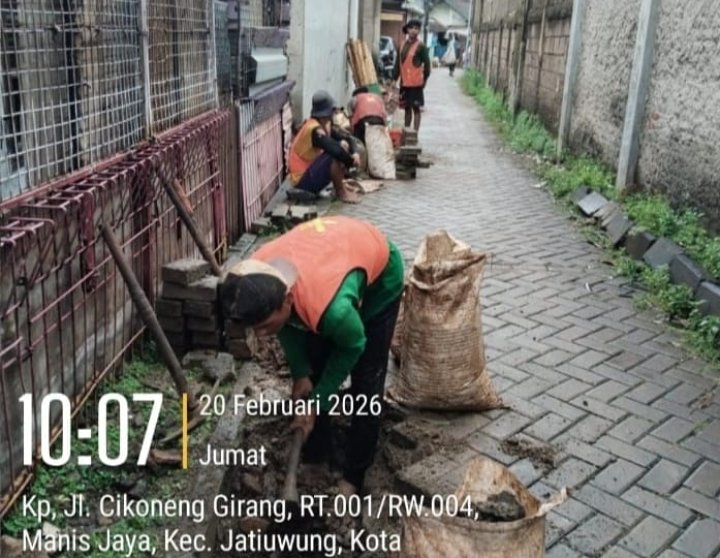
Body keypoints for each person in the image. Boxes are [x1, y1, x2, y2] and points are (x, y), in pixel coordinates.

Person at [221, 216, 404, 497]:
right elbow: (286, 325)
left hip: (381, 275)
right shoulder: (259, 276)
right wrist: (301, 373)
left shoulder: (330, 309)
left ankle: (355, 473)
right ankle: (317, 454)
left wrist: (317, 402)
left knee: (367, 380)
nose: (261, 335)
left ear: (287, 300)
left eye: (265, 326)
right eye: (255, 328)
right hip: (329, 259)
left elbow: (354, 345)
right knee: (316, 363)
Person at [289, 91, 362, 204]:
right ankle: (341, 192)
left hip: (309, 174)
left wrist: (355, 153)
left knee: (341, 147)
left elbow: (348, 138)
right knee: (334, 156)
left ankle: (341, 186)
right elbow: (335, 150)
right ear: (326, 114)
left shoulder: (322, 125)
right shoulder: (314, 130)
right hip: (301, 182)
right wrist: (351, 162)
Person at [393, 19, 431, 132]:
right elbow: (397, 65)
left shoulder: (421, 47)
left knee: (416, 109)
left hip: (416, 84)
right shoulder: (401, 45)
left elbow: (427, 65)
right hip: (404, 84)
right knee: (406, 109)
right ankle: (407, 132)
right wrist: (393, 79)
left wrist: (424, 80)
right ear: (408, 29)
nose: (414, 31)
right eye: (412, 28)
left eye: (417, 29)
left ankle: (415, 134)